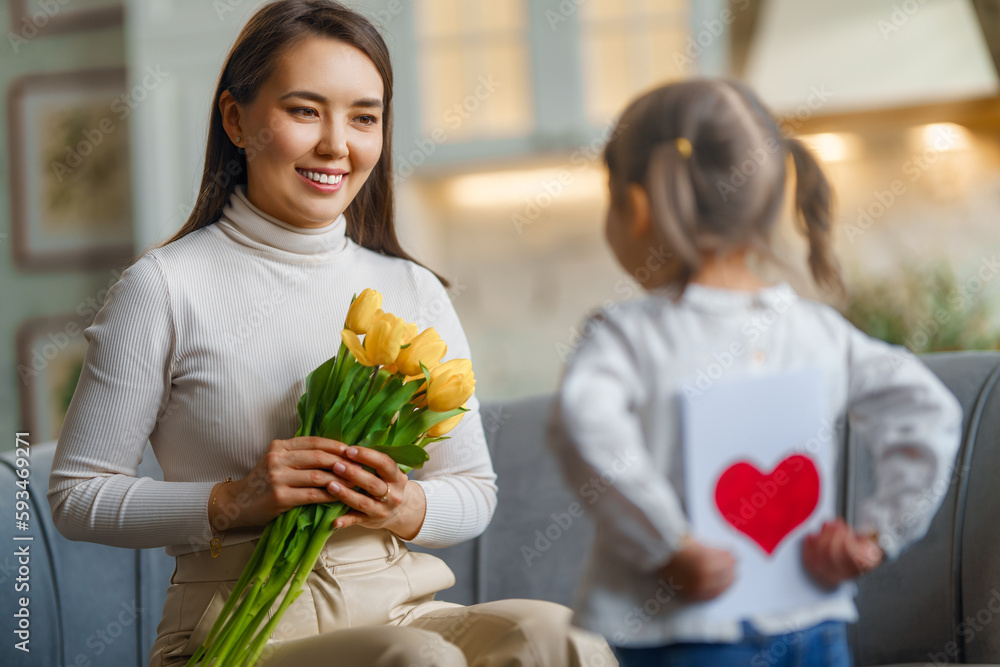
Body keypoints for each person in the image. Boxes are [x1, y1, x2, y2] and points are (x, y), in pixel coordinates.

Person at [46, 1, 616, 665]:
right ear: (236, 119)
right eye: (304, 110)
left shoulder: (413, 289)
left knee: (560, 637)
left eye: (364, 117)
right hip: (240, 625)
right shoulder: (164, 287)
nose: (337, 144)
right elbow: (75, 496)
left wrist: (403, 506)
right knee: (417, 660)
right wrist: (233, 499)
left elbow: (474, 490)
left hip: (400, 602)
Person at [547, 78, 963, 667]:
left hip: (678, 636)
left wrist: (669, 545)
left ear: (634, 208)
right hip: (813, 623)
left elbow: (581, 425)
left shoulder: (626, 335)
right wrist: (876, 537)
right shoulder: (819, 332)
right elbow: (930, 411)